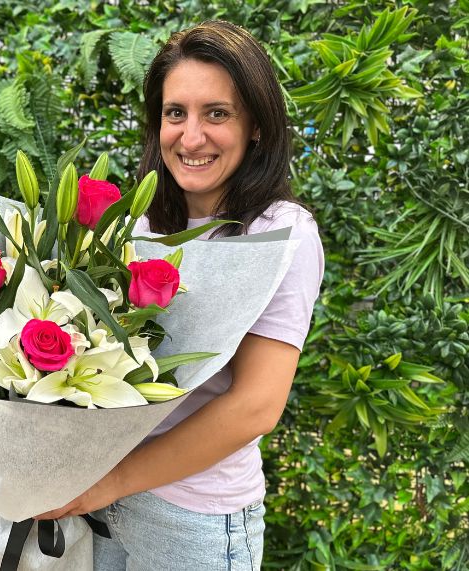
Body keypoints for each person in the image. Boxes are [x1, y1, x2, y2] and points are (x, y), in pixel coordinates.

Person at [35, 20, 324, 570]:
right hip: (104, 505)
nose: (191, 138)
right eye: (175, 114)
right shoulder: (136, 223)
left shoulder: (278, 232)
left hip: (194, 520)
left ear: (257, 125)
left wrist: (113, 480)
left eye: (217, 113)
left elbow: (255, 407)